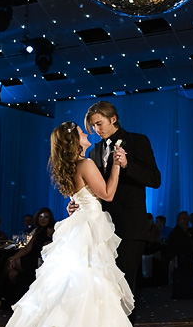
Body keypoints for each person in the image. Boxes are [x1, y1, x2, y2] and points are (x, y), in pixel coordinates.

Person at [0, 120, 140, 327]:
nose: (86, 132)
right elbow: (108, 194)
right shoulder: (86, 164)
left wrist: (75, 204)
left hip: (80, 225)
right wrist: (116, 165)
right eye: (81, 132)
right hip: (89, 226)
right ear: (74, 140)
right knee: (90, 288)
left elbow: (79, 196)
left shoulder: (71, 166)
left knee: (74, 288)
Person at [68, 101, 161, 298]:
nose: (96, 129)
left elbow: (155, 179)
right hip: (101, 228)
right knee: (103, 287)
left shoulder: (137, 141)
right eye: (92, 126)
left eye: (99, 124)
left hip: (129, 226)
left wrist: (127, 165)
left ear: (113, 119)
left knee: (125, 288)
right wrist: (79, 203)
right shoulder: (93, 152)